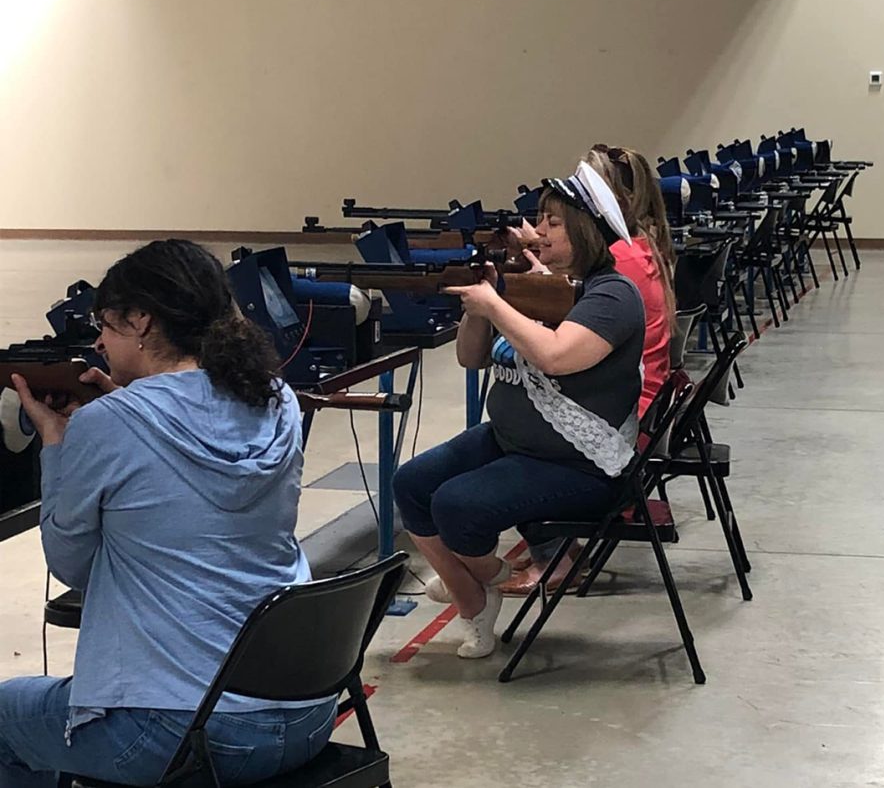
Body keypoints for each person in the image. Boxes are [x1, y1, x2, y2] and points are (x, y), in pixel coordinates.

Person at [0, 240, 336, 787]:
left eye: (104, 325)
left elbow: (71, 565)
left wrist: (60, 445)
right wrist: (118, 408)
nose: (100, 343)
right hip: (304, 709)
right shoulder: (277, 398)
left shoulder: (109, 423)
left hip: (180, 731)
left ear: (141, 321)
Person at [393, 162, 645, 659]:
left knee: (457, 506)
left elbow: (555, 355)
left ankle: (484, 584)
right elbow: (470, 358)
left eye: (553, 223)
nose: (540, 232)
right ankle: (474, 595)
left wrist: (497, 305)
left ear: (586, 231)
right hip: (515, 441)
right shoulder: (544, 286)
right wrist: (479, 305)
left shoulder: (611, 294)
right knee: (411, 484)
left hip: (579, 463)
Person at [502, 144, 677, 596]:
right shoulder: (640, 247)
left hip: (630, 411)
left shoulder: (621, 265)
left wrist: (509, 290)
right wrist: (544, 262)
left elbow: (565, 336)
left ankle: (553, 555)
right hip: (645, 394)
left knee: (520, 430)